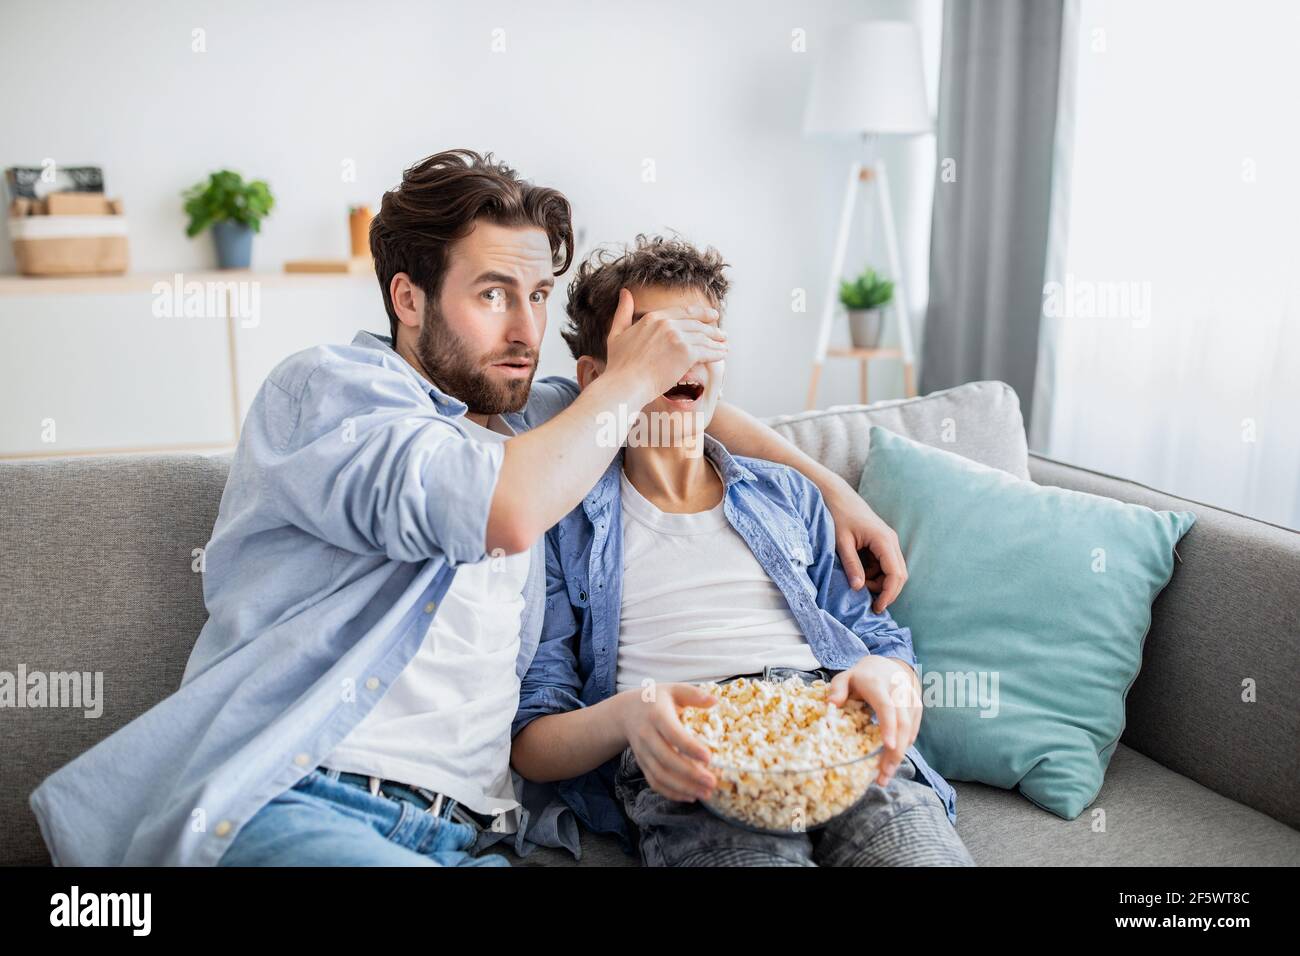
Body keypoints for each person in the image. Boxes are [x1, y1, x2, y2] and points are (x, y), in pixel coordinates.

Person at [29, 151, 908, 867]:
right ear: (408, 298)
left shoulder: (530, 416)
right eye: (493, 295)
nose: (525, 330)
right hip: (305, 799)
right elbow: (506, 510)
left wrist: (827, 483)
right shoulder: (332, 392)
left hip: (478, 836)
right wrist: (631, 376)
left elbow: (681, 406)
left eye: (536, 296)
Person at [511, 235, 974, 866]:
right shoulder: (560, 520)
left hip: (832, 734)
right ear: (597, 378)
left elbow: (879, 639)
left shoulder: (788, 495)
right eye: (658, 339)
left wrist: (887, 679)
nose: (685, 356)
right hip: (691, 770)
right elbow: (533, 736)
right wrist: (631, 716)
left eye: (702, 336)